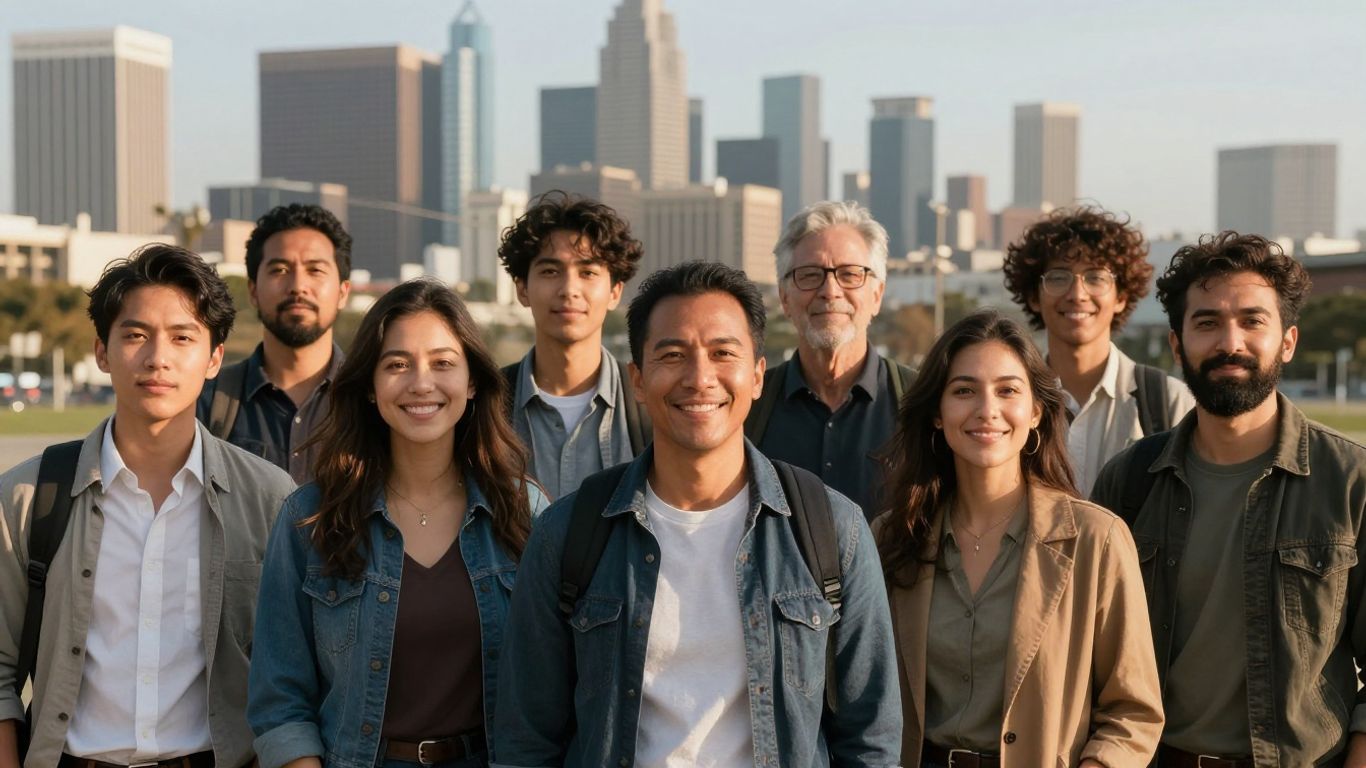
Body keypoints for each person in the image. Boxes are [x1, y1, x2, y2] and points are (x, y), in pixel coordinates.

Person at [494, 262, 901, 767]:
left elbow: (872, 738)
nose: (699, 378)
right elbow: (525, 740)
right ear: (638, 380)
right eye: (673, 355)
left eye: (723, 353)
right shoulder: (568, 534)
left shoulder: (831, 530)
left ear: (756, 376)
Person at [0, 244, 295, 768]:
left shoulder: (270, 498)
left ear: (213, 359)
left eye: (183, 337)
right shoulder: (29, 496)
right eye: (135, 335)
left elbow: (297, 673)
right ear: (101, 351)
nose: (157, 357)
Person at [247, 279, 547, 768]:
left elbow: (549, 688)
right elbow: (279, 696)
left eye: (443, 363)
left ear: (472, 382)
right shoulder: (310, 518)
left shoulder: (524, 512)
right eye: (397, 364)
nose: (421, 383)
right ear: (369, 385)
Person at [1092, 232, 1366, 767]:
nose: (1229, 341)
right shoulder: (1129, 481)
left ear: (1287, 341)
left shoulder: (1351, 483)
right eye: (1207, 322)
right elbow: (1092, 660)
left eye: (1252, 321)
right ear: (1177, 344)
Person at [875, 308, 1163, 767]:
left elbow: (1134, 710)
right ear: (936, 413)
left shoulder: (1097, 540)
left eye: (1008, 390)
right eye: (964, 391)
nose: (987, 410)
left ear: (1035, 413)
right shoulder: (892, 537)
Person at [1003, 206, 1194, 496]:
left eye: (1095, 277)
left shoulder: (1169, 402)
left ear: (1121, 296)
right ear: (1033, 296)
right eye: (1058, 277)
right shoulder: (1009, 402)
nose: (1077, 294)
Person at [746, 201, 912, 519]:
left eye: (850, 275)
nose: (830, 290)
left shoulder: (920, 401)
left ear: (877, 295)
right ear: (784, 297)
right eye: (810, 275)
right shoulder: (749, 405)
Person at [497, 192, 647, 499]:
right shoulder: (486, 405)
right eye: (550, 272)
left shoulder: (649, 403)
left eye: (588, 272)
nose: (569, 290)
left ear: (615, 292)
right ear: (522, 289)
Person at [197, 203, 352, 484]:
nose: (297, 286)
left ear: (343, 292)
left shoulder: (372, 400)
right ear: (253, 291)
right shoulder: (209, 401)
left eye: (315, 270)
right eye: (280, 269)